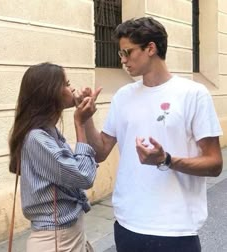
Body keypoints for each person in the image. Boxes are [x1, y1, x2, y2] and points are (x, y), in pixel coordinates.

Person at [82, 17, 223, 252]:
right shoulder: (123, 96)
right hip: (128, 224)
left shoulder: (193, 94)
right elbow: (100, 152)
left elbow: (215, 163)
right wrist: (86, 117)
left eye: (128, 52)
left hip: (175, 229)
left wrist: (165, 160)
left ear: (150, 48)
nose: (124, 60)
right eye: (120, 54)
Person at [9, 62, 101, 252]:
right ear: (51, 93)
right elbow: (84, 176)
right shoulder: (36, 138)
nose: (72, 88)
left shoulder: (48, 132)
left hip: (66, 235)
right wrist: (80, 124)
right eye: (66, 84)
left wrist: (84, 117)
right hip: (57, 240)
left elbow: (79, 170)